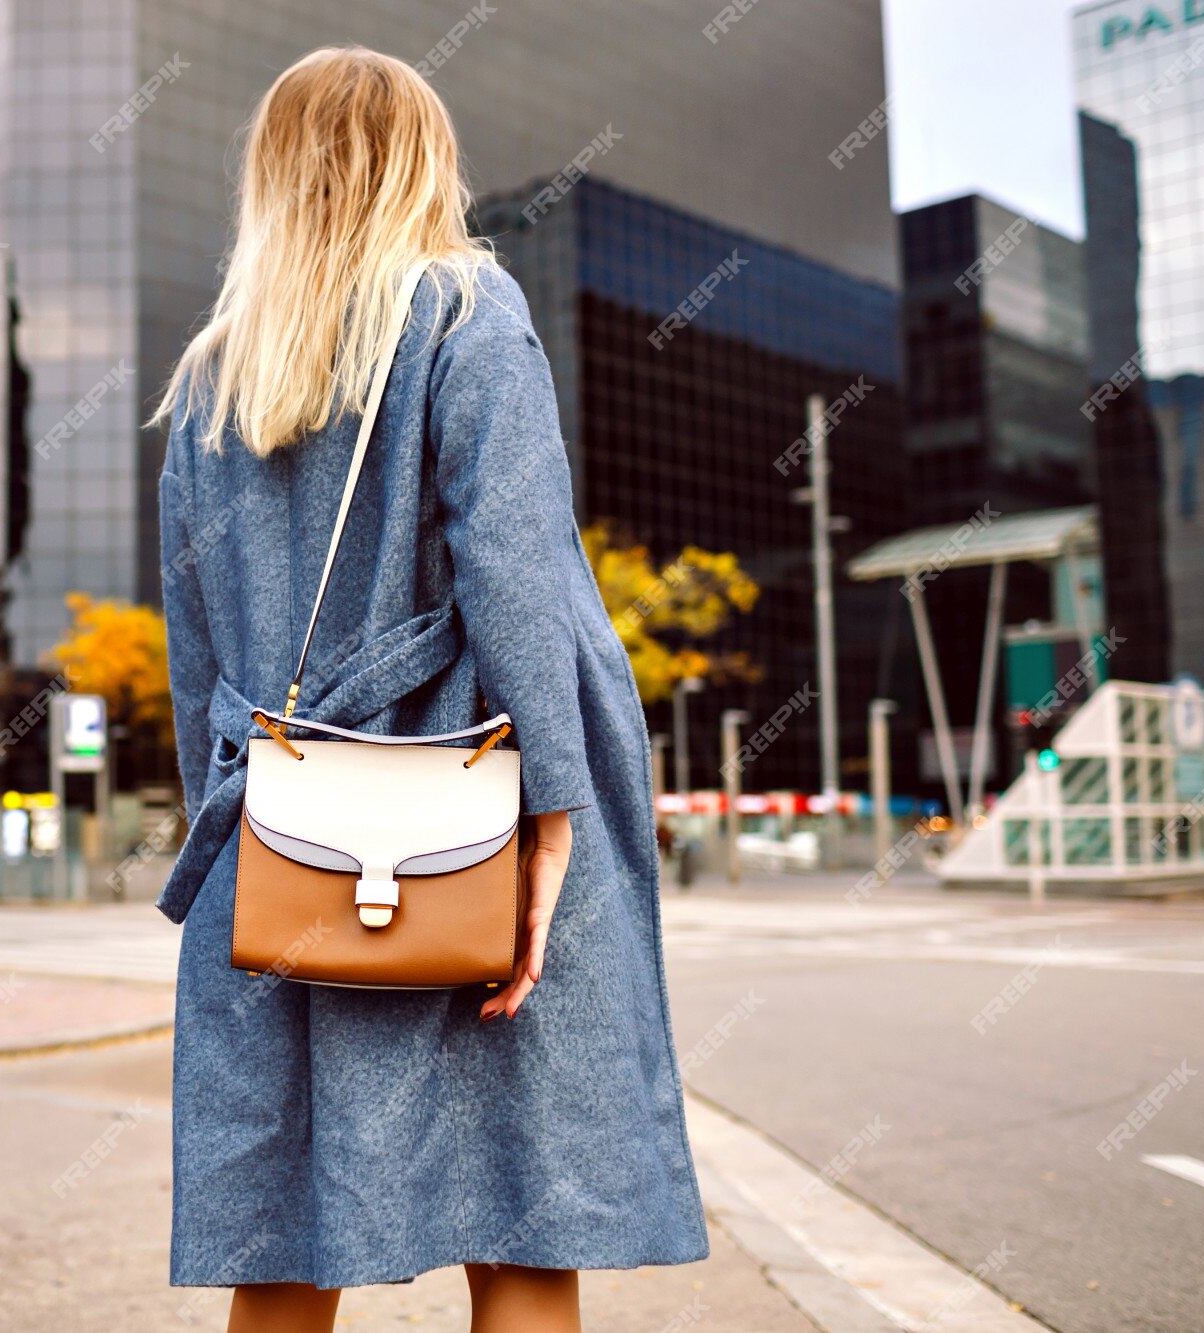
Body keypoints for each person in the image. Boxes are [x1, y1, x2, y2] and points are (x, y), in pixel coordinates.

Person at [150, 46, 708, 1333]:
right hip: (468, 810)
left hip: (281, 845)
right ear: (423, 161)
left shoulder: (206, 382)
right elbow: (514, 571)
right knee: (518, 1228)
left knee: (280, 1243)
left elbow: (196, 661)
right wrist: (556, 813)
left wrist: (243, 830)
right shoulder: (465, 311)